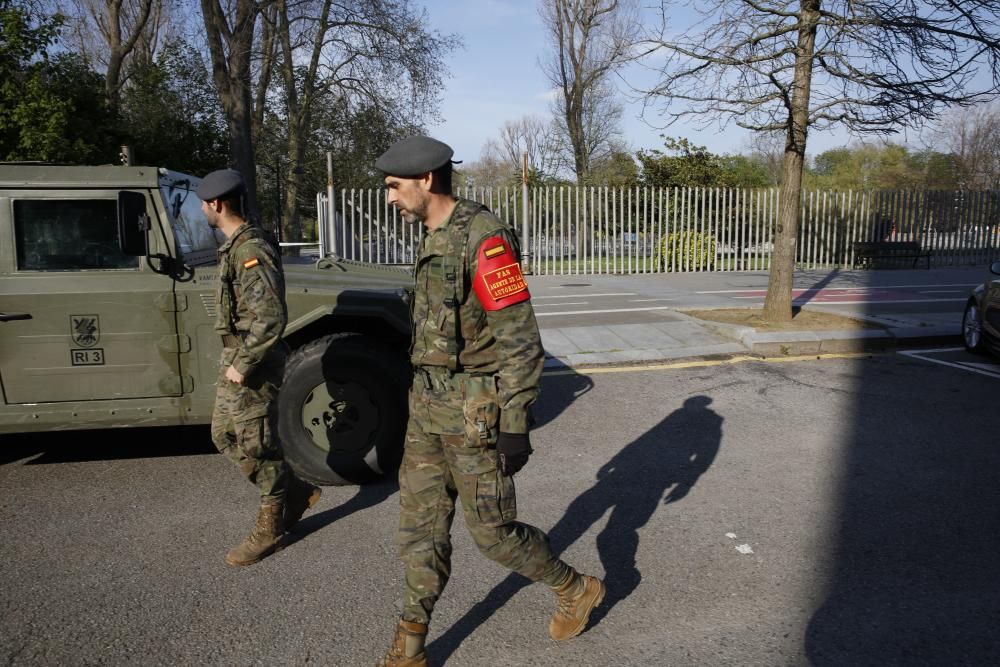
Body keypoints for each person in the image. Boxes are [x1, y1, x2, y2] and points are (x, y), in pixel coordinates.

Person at [374, 137, 605, 666]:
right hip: (426, 408)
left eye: (393, 187)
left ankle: (574, 587)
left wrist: (516, 422)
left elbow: (520, 340)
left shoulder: (485, 239)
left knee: (493, 536)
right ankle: (409, 649)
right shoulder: (431, 234)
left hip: (475, 412)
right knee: (419, 532)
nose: (389, 198)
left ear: (426, 179)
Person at [197, 168, 321, 566]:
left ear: (216, 204)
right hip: (236, 357)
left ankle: (271, 528)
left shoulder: (250, 249)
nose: (203, 209)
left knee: (256, 444)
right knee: (222, 434)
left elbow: (270, 315)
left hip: (254, 363)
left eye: (203, 203)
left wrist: (245, 363)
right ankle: (297, 490)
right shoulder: (235, 246)